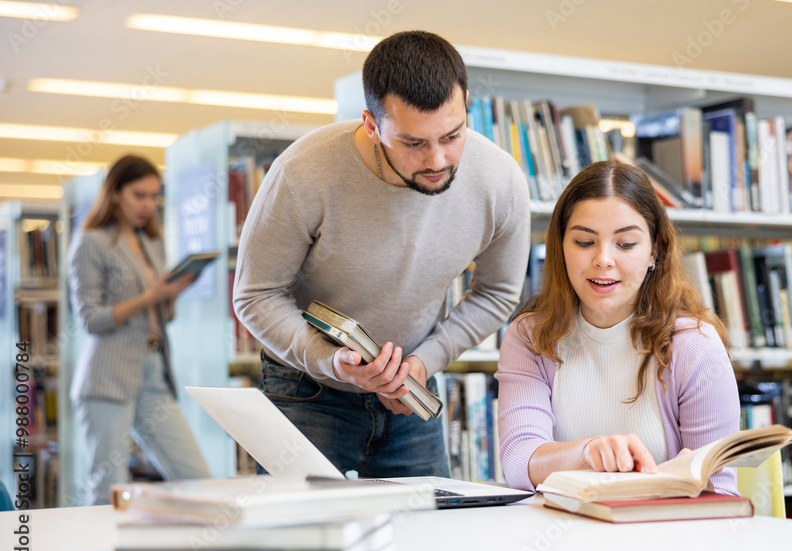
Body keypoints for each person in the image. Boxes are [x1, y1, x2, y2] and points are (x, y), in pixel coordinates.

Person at [232, 31, 530, 478]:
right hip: (306, 387)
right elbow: (255, 296)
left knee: (424, 536)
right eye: (413, 143)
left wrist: (426, 361)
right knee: (299, 541)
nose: (437, 160)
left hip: (410, 391)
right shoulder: (301, 175)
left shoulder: (500, 182)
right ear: (371, 124)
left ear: (466, 104)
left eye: (452, 135)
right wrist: (329, 360)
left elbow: (497, 293)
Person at [496, 160, 740, 495]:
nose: (603, 260)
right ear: (561, 248)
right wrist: (588, 453)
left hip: (663, 538)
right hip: (561, 536)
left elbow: (721, 493)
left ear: (654, 250)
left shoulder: (693, 345)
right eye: (584, 242)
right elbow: (519, 462)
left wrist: (692, 485)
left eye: (625, 244)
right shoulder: (529, 337)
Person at [67, 154, 211, 506]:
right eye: (139, 195)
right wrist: (151, 296)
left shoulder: (151, 243)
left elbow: (162, 317)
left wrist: (170, 296)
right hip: (108, 377)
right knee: (108, 487)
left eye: (154, 196)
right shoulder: (91, 243)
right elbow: (90, 319)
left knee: (197, 478)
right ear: (115, 194)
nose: (149, 204)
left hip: (153, 373)